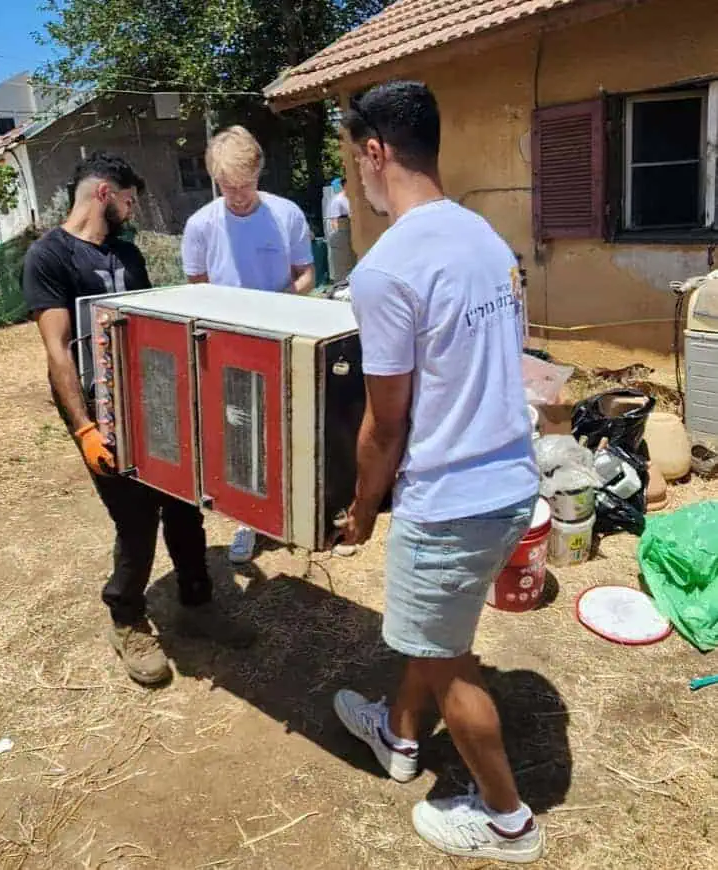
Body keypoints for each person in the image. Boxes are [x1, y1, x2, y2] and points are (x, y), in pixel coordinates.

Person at [334, 83, 543, 863]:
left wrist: (359, 510)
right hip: (511, 486)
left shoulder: (386, 268)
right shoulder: (485, 238)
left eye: (356, 158)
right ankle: (396, 734)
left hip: (450, 501)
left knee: (451, 660)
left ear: (377, 152)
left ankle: (506, 821)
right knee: (435, 631)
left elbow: (385, 422)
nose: (357, 174)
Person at [22, 153, 253, 688]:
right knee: (135, 521)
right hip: (99, 413)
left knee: (183, 505)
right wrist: (84, 429)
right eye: (128, 200)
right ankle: (126, 619)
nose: (132, 210)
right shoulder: (49, 257)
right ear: (104, 191)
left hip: (152, 403)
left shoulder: (126, 253)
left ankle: (198, 604)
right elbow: (57, 353)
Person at [181, 125, 315, 564]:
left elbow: (306, 274)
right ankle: (247, 517)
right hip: (229, 347)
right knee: (241, 434)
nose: (237, 195)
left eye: (245, 185)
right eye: (227, 187)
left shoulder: (287, 215)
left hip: (283, 338)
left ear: (259, 173)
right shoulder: (201, 225)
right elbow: (196, 289)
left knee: (289, 427)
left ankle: (292, 513)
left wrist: (283, 309)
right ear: (214, 181)